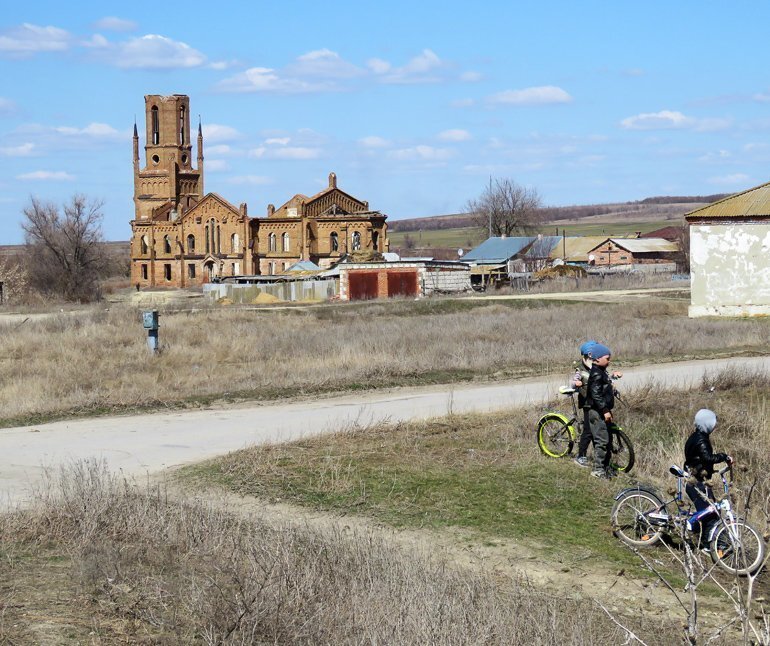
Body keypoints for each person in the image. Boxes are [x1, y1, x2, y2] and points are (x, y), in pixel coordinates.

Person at [684, 409, 732, 546]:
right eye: (713, 423)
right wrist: (724, 456)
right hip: (698, 482)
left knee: (709, 513)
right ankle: (710, 545)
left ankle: (707, 541)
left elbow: (699, 458)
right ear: (707, 424)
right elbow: (708, 457)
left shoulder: (695, 436)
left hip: (696, 479)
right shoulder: (701, 439)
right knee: (711, 514)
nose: (714, 426)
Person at [585, 343, 616, 479]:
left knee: (608, 439)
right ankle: (598, 470)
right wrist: (604, 410)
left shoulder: (601, 371)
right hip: (598, 412)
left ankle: (605, 466)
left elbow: (603, 390)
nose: (609, 361)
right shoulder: (597, 374)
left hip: (603, 410)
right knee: (601, 440)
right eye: (607, 358)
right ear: (597, 359)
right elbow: (596, 394)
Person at [572, 340, 597, 468]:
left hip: (597, 401)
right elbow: (574, 381)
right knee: (588, 430)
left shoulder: (597, 367)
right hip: (587, 402)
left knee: (597, 429)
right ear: (586, 356)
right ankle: (580, 456)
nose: (594, 359)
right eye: (592, 357)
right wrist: (576, 383)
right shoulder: (580, 369)